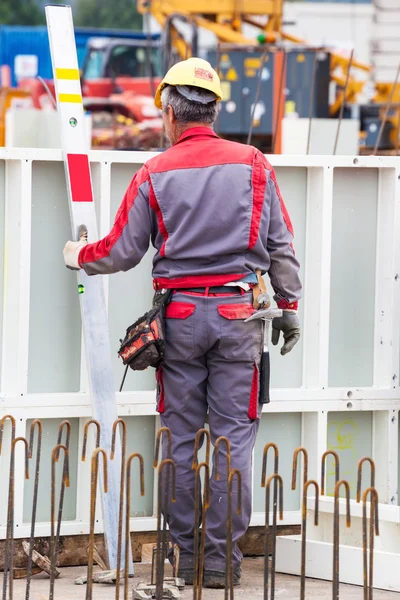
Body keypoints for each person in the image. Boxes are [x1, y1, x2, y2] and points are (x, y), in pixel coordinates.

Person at [63, 57, 302, 589]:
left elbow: (121, 250)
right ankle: (221, 563)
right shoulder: (255, 164)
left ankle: (189, 558)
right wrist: (288, 307)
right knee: (233, 439)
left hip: (182, 320)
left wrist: (79, 254)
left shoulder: (155, 172)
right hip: (241, 316)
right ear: (212, 112)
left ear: (171, 113)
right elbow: (282, 244)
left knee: (178, 439)